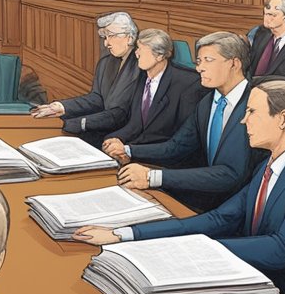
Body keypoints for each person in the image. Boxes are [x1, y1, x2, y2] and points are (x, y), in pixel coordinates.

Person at [75, 81, 285, 294]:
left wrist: (197, 250)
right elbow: (219, 218)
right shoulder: (268, 168)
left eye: (252, 112)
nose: (243, 121)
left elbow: (280, 250)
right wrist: (126, 234)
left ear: (282, 118)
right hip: (263, 293)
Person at [112, 31, 265, 212]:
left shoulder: (258, 103)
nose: (199, 68)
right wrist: (128, 150)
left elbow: (230, 174)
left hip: (242, 207)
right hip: (205, 198)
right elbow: (177, 146)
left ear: (234, 63)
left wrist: (153, 177)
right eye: (199, 62)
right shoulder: (207, 102)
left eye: (208, 60)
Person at [32, 11, 140, 145]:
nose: (106, 43)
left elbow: (121, 114)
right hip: (102, 130)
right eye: (105, 38)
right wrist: (62, 107)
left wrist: (79, 123)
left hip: (125, 138)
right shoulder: (106, 63)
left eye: (111, 36)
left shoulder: (142, 65)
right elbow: (97, 99)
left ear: (129, 38)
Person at [101, 28, 207, 157]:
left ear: (160, 56)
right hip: (138, 152)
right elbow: (135, 125)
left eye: (141, 50)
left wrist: (128, 151)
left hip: (168, 162)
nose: (136, 54)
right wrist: (114, 139)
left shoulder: (188, 84)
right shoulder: (142, 76)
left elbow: (180, 143)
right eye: (137, 48)